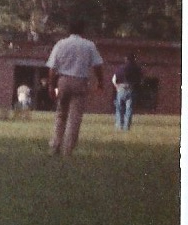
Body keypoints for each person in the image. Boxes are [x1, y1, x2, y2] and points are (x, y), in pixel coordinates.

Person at [45, 19, 103, 156]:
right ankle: (68, 149)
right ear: (83, 30)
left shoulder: (61, 44)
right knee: (75, 117)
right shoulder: (89, 45)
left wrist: (51, 86)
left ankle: (55, 145)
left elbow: (52, 68)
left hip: (63, 80)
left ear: (69, 30)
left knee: (61, 114)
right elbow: (97, 66)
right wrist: (100, 82)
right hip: (80, 81)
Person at [111, 52, 142, 131]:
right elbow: (141, 80)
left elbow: (114, 79)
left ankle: (119, 125)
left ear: (126, 59)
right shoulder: (137, 69)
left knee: (119, 108)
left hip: (121, 88)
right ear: (134, 59)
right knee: (129, 109)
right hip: (131, 89)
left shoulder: (120, 68)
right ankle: (126, 127)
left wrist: (117, 87)